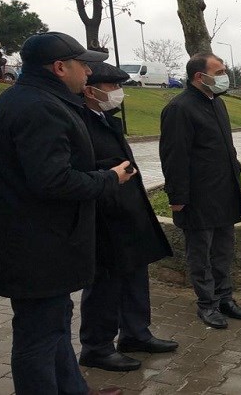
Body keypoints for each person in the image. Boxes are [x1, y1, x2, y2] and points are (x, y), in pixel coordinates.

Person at [0, 32, 136, 395]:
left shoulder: (30, 100)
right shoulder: (40, 108)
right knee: (38, 338)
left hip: (40, 244)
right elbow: (53, 181)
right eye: (83, 64)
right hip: (36, 248)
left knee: (54, 326)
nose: (87, 72)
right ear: (60, 67)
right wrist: (109, 178)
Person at [78, 62, 178, 372]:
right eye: (111, 87)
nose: (117, 93)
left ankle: (136, 333)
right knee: (104, 285)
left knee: (135, 277)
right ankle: (97, 347)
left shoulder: (105, 118)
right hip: (105, 217)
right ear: (90, 89)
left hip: (128, 213)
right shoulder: (79, 121)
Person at [159, 52, 241, 329]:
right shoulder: (180, 108)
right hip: (198, 197)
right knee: (200, 254)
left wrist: (234, 168)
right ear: (200, 76)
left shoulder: (218, 103)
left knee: (223, 251)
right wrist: (177, 198)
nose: (225, 76)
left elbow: (224, 146)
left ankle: (225, 299)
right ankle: (207, 304)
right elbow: (174, 157)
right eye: (220, 71)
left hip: (224, 193)